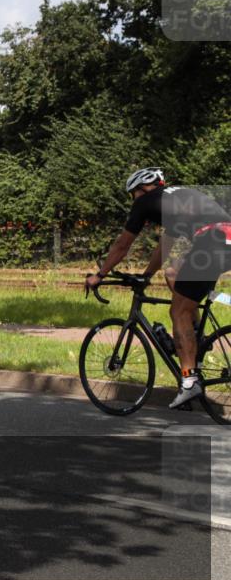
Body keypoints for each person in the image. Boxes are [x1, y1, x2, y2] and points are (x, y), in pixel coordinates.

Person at [85, 168, 231, 408]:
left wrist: (100, 275)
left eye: (133, 194)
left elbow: (122, 245)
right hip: (225, 240)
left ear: (141, 189)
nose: (134, 200)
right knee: (173, 272)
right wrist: (147, 276)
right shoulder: (178, 198)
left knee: (178, 312)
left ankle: (189, 382)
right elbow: (165, 246)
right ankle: (195, 337)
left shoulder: (145, 201)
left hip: (211, 242)